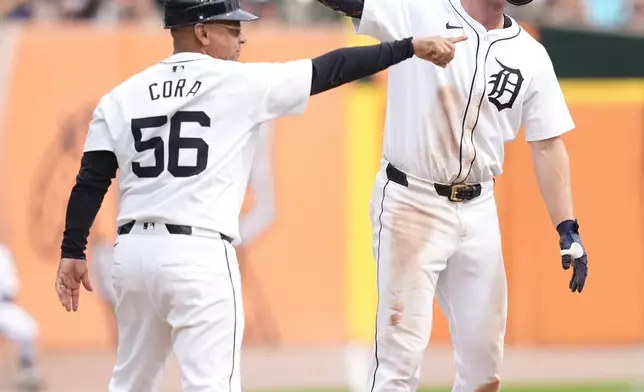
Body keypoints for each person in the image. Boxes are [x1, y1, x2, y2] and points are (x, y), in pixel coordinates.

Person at [52, 0, 468, 390]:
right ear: (201, 32)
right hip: (199, 255)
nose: (241, 38)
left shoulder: (122, 95)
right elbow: (333, 68)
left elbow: (91, 180)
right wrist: (408, 46)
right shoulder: (238, 82)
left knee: (129, 383)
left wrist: (73, 249)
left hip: (134, 256)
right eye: (232, 28)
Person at [315, 0, 588, 391]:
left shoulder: (530, 54)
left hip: (478, 208)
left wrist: (567, 228)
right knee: (399, 360)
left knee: (485, 366)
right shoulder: (420, 10)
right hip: (412, 199)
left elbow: (547, 144)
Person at [0, 238, 43, 391]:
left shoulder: (3, 252)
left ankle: (27, 372)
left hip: (4, 306)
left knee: (29, 329)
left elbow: (11, 286)